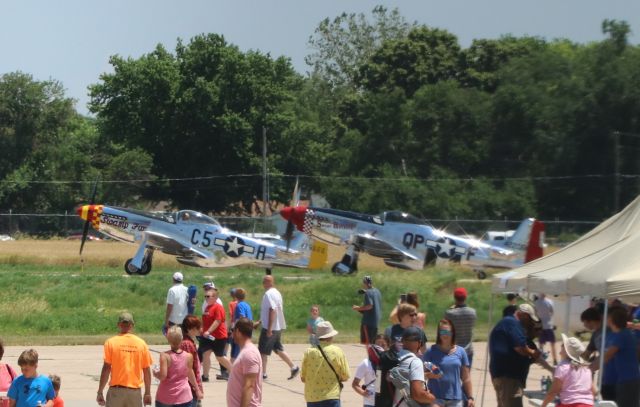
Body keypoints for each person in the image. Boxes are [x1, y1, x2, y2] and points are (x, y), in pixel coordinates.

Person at [489, 303, 541, 407]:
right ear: (525, 315)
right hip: (509, 377)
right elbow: (520, 347)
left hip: (503, 375)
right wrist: (533, 353)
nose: (529, 322)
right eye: (530, 319)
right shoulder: (512, 323)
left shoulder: (507, 323)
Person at [97, 312, 153, 407]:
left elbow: (106, 368)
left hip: (116, 392)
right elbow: (146, 370)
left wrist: (100, 391)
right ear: (132, 325)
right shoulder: (141, 344)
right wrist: (147, 392)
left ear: (119, 325)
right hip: (134, 393)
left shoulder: (111, 342)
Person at [423, 319, 474, 407]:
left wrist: (470, 397)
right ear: (439, 334)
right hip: (435, 398)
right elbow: (421, 375)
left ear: (453, 333)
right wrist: (431, 375)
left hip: (455, 399)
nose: (445, 335)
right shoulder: (430, 351)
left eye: (447, 332)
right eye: (442, 332)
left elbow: (466, 378)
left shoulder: (461, 352)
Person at [257, 275, 299, 380]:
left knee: (262, 351)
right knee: (278, 348)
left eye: (264, 281)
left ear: (269, 282)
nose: (263, 284)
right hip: (278, 326)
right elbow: (271, 310)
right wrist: (260, 321)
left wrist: (269, 328)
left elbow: (272, 310)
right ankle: (293, 367)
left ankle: (263, 374)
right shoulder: (277, 292)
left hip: (270, 327)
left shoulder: (268, 294)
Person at [300, 321, 350, 407]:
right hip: (331, 396)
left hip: (312, 398)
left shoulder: (308, 352)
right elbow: (345, 375)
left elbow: (303, 377)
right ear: (330, 336)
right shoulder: (337, 351)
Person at [540, 334, 595, 407]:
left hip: (570, 404)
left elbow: (553, 392)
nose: (559, 352)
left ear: (566, 351)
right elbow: (594, 391)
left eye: (562, 347)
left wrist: (543, 405)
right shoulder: (586, 369)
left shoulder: (563, 367)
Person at [154, 326, 201, 407]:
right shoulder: (188, 356)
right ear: (181, 339)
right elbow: (190, 373)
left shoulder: (164, 356)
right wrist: (197, 389)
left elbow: (163, 376)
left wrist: (155, 374)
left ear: (168, 340)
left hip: (166, 397)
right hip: (184, 396)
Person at [603, 306, 640, 407]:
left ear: (611, 320)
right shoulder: (621, 334)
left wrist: (588, 368)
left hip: (628, 380)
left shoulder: (622, 335)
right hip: (624, 379)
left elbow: (607, 356)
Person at [580, 306, 616, 401]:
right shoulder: (595, 334)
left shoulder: (610, 331)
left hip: (617, 372)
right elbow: (587, 353)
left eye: (584, 322)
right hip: (604, 375)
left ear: (590, 320)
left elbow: (609, 353)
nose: (584, 325)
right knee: (606, 399)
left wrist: (590, 367)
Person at [393, 327, 436, 407]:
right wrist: (432, 398)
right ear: (419, 343)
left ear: (402, 341)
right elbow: (417, 394)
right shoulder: (415, 362)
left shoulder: (396, 358)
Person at [227, 318, 263, 407]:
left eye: (232, 330)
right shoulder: (245, 351)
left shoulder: (249, 354)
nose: (231, 334)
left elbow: (249, 386)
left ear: (238, 331)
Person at [198, 287, 231, 382]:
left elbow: (217, 321)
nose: (206, 298)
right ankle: (205, 376)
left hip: (219, 336)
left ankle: (233, 372)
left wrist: (208, 331)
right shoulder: (207, 307)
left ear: (215, 297)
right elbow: (205, 320)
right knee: (205, 354)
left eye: (208, 296)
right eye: (205, 296)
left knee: (219, 357)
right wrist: (202, 329)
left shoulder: (218, 307)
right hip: (207, 337)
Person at [352, 335, 389, 407]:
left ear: (388, 347)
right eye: (378, 344)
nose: (380, 347)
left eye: (383, 345)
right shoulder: (366, 363)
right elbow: (355, 384)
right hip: (370, 403)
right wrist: (363, 392)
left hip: (386, 402)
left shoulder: (390, 363)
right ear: (373, 345)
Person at [444, 287, 477, 366]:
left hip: (454, 350)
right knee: (466, 376)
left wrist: (451, 308)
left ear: (455, 298)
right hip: (468, 350)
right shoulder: (472, 312)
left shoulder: (449, 313)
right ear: (465, 297)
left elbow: (445, 328)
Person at [179, 316, 203, 407]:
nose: (199, 329)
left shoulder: (189, 342)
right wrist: (196, 388)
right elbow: (189, 369)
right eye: (197, 327)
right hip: (190, 388)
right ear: (189, 329)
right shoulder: (187, 344)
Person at [352, 276, 382, 345]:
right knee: (373, 342)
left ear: (364, 283)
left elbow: (369, 306)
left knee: (365, 343)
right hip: (376, 321)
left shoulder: (368, 293)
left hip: (368, 322)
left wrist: (358, 308)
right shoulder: (377, 291)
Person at [231, 288, 253, 364]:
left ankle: (232, 371)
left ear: (235, 296)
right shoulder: (247, 305)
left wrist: (235, 330)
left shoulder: (239, 305)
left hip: (241, 331)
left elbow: (242, 317)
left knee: (236, 352)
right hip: (248, 331)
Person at [534, 293, 558, 365]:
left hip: (541, 325)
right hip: (548, 325)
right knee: (553, 344)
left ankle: (541, 360)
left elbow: (535, 313)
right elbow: (552, 312)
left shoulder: (536, 302)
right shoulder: (550, 301)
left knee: (541, 344)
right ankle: (555, 359)